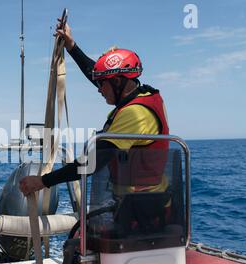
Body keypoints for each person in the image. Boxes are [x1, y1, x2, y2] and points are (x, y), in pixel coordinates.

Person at [20, 21, 170, 209]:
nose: (98, 89)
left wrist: (42, 181)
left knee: (77, 239)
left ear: (117, 82)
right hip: (138, 203)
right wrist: (71, 47)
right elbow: (96, 73)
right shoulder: (143, 96)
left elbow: (90, 163)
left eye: (102, 84)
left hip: (144, 210)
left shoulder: (135, 114)